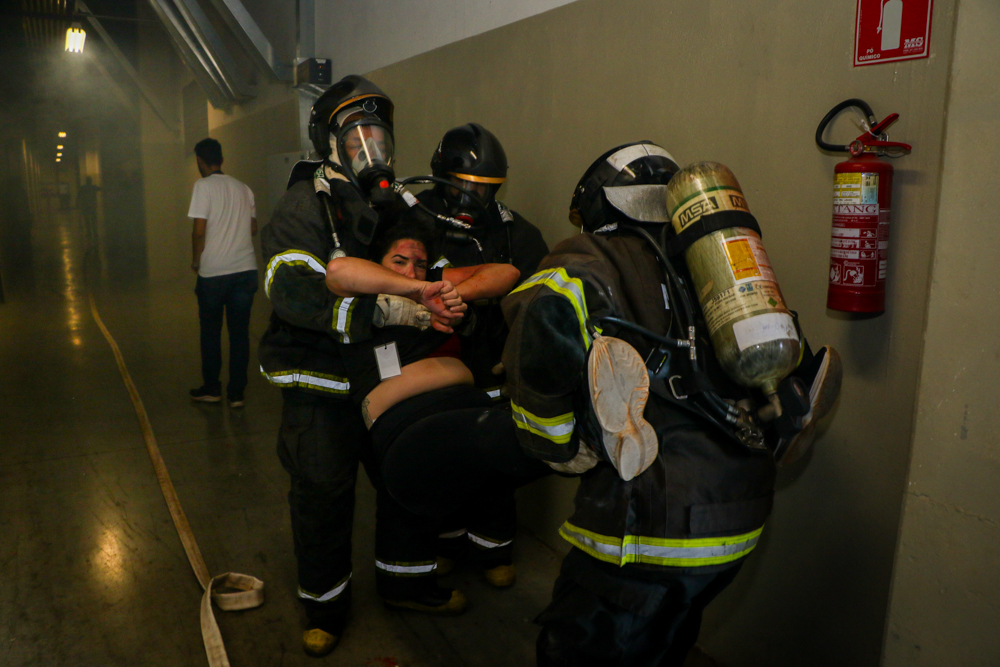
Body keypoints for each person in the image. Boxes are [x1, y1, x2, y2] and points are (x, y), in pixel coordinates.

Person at [497, 142, 842, 666]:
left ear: (602, 204)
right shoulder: (723, 261)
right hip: (738, 520)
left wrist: (555, 444)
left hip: (647, 531)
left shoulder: (587, 257)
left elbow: (542, 327)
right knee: (662, 646)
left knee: (581, 650)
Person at [258, 75, 465, 658]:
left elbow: (436, 272)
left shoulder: (401, 205)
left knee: (410, 471)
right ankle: (325, 606)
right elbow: (290, 289)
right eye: (356, 137)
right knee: (322, 490)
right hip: (321, 382)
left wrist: (446, 303)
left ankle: (406, 579)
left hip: (390, 376)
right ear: (330, 144)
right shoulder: (305, 206)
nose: (371, 147)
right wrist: (381, 310)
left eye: (378, 132)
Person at [325, 213, 550, 593]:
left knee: (489, 466)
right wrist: (411, 292)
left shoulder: (431, 285)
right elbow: (337, 271)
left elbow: (506, 272)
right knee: (504, 444)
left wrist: (449, 294)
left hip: (458, 404)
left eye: (419, 263)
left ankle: (481, 548)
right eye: (399, 260)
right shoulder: (365, 290)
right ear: (380, 261)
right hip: (405, 421)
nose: (412, 270)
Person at [416, 123, 550, 580]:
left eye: (487, 189)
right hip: (435, 365)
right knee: (442, 459)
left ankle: (494, 550)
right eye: (466, 186)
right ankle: (446, 542)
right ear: (442, 177)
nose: (476, 198)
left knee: (495, 457)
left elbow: (537, 299)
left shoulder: (515, 233)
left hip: (493, 368)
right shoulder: (414, 223)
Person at [187, 138, 259, 408]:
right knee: (239, 333)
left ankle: (212, 388)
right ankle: (237, 394)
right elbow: (252, 228)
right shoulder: (243, 188)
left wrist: (196, 260)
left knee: (211, 332)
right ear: (221, 159)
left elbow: (198, 231)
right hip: (245, 271)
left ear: (201, 162)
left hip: (214, 273)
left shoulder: (202, 187)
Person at [77, 176, 100, 244]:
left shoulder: (83, 188)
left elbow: (78, 196)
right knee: (93, 220)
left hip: (85, 206)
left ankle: (89, 233)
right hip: (92, 206)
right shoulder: (93, 187)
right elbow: (101, 189)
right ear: (91, 181)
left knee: (87, 220)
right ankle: (95, 233)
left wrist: (77, 204)